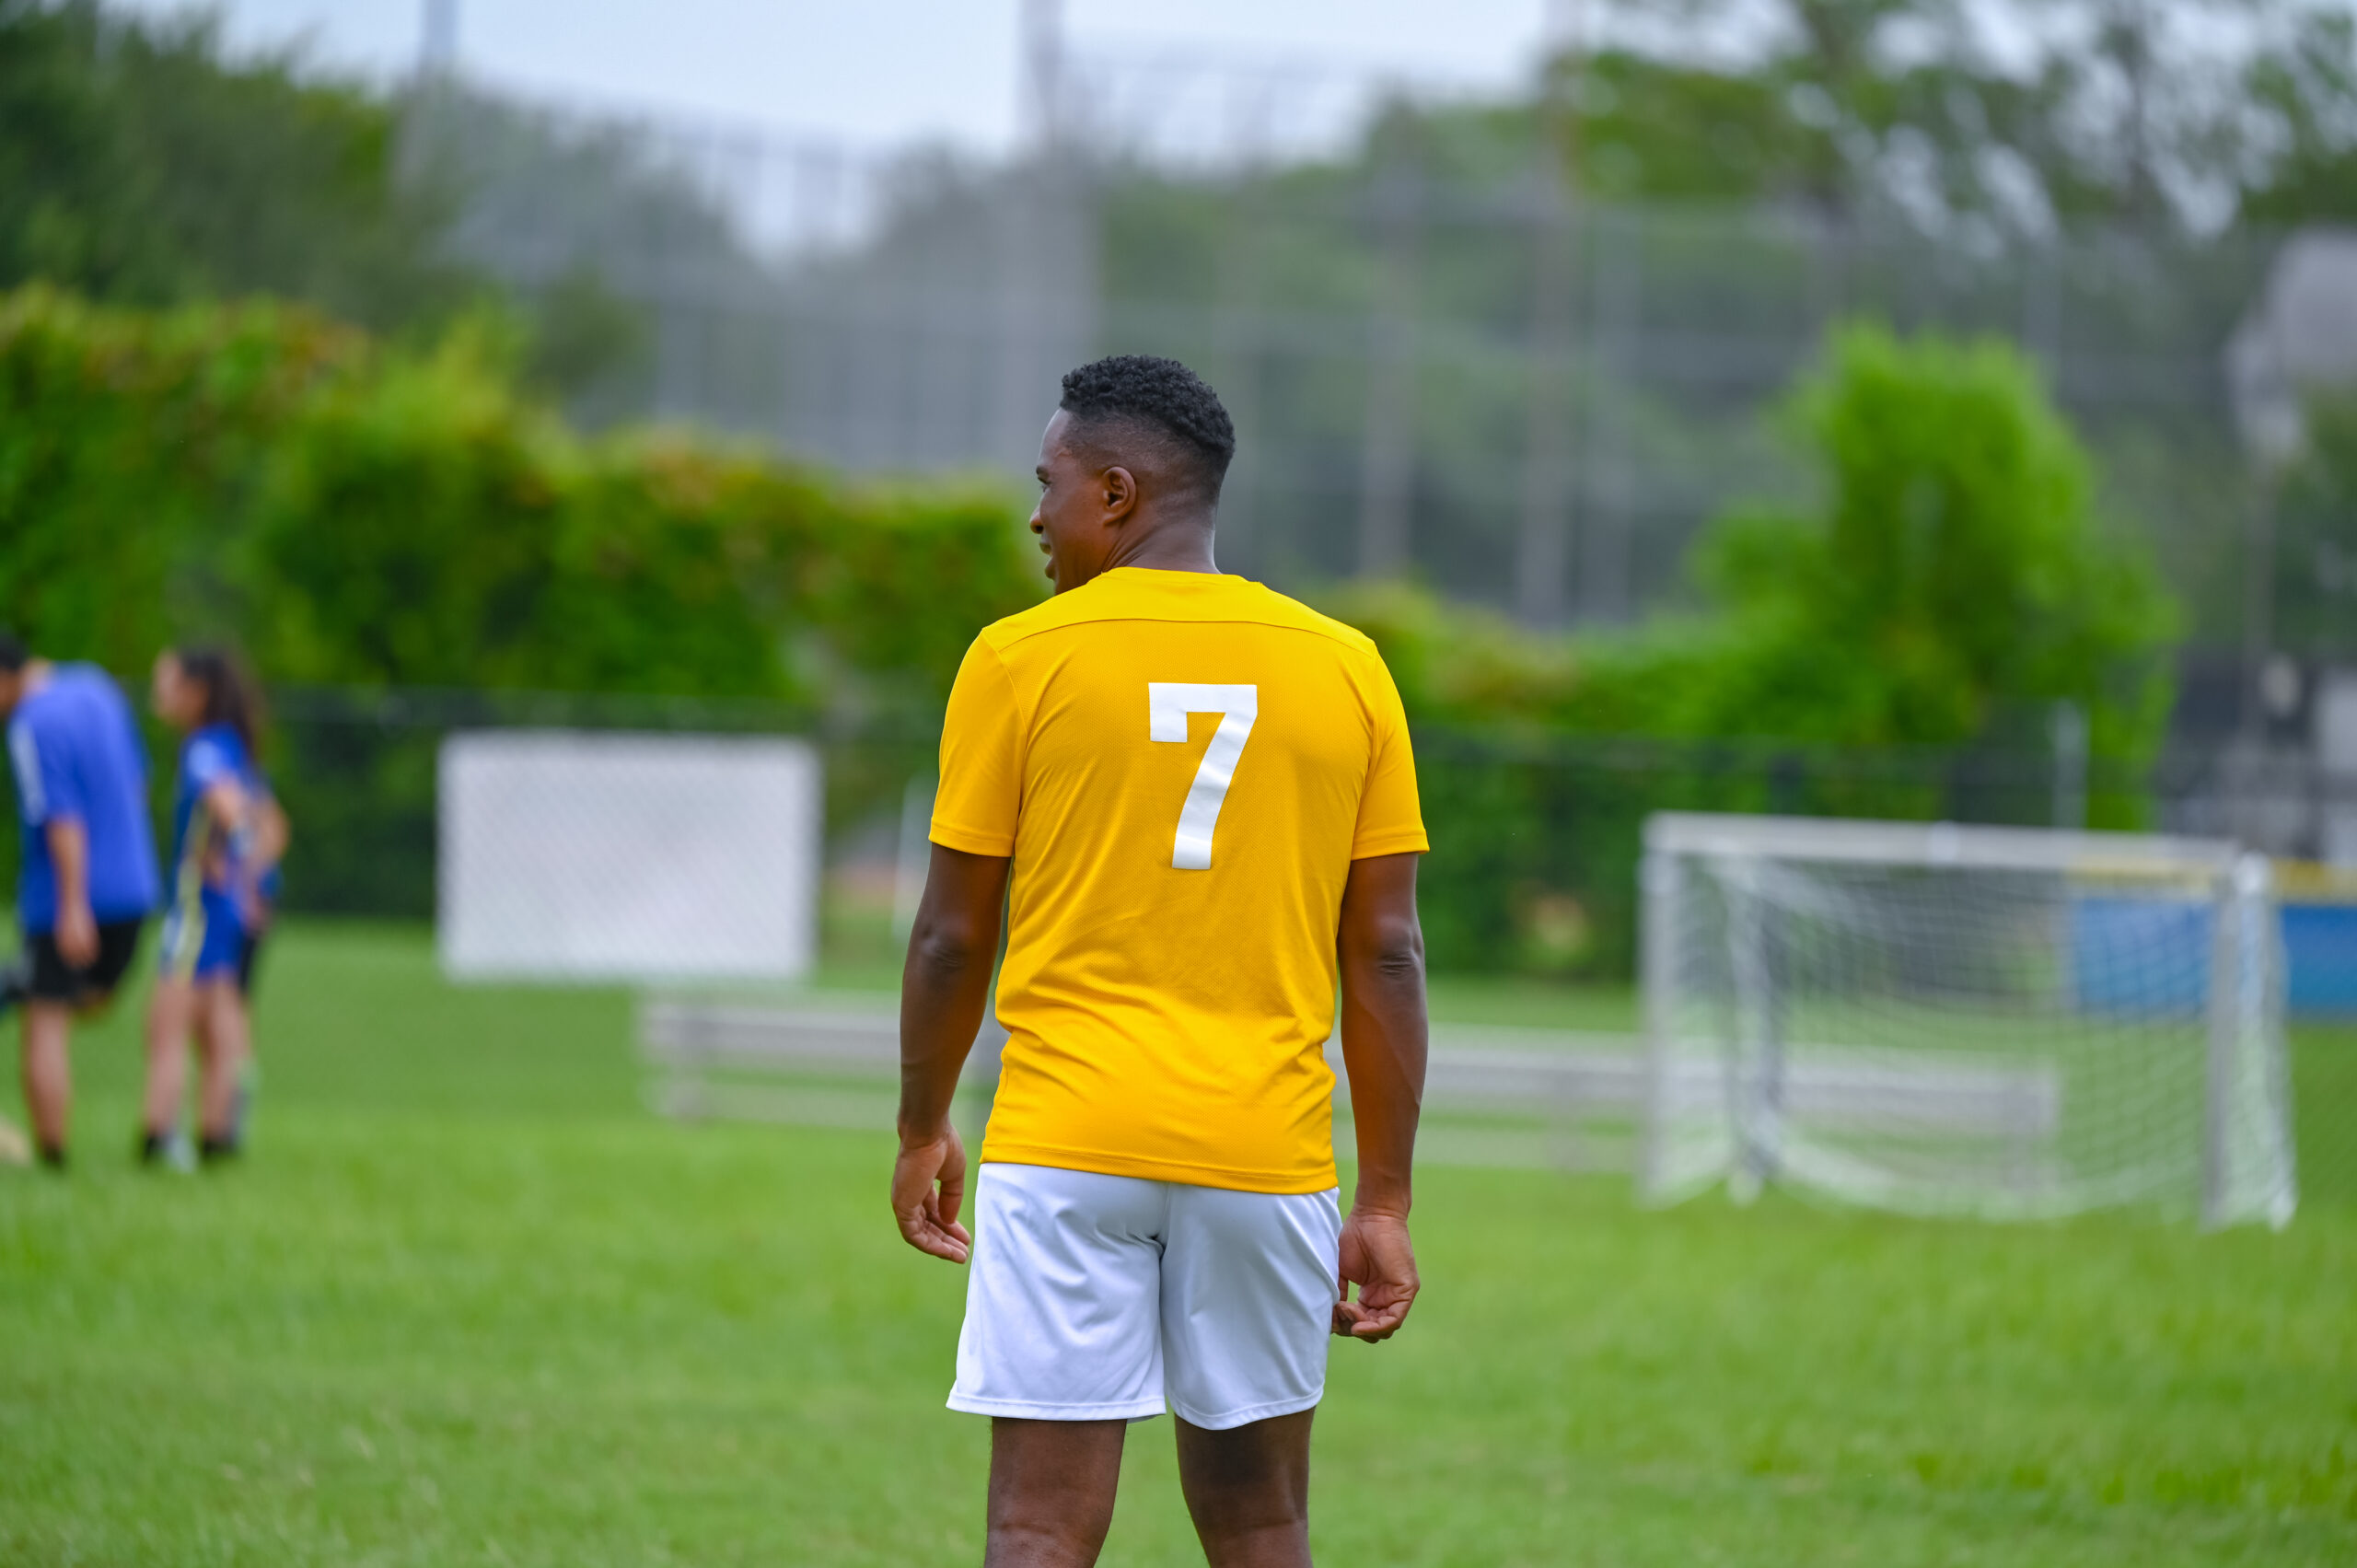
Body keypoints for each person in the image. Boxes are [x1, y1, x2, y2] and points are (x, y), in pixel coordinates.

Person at [893, 355, 1430, 1567]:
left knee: (1037, 1522)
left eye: (1050, 483)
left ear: (1117, 492)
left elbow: (950, 933)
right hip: (1264, 1152)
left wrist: (922, 1125)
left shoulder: (1017, 657)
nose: (1037, 514)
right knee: (1262, 1521)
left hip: (1066, 1144)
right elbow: (1388, 952)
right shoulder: (1348, 665)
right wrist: (1383, 1201)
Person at [0, 632, 162, 1169]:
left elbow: (61, 818)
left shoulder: (30, 724)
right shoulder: (97, 687)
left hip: (65, 899)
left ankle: (52, 1157)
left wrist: (73, 905)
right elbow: (138, 782)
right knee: (86, 999)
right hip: (134, 886)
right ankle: (15, 984)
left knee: (45, 1015)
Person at [140, 646, 278, 1167]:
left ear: (196, 693)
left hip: (196, 907)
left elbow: (234, 812)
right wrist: (253, 880)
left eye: (167, 683)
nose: (158, 695)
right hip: (226, 910)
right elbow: (273, 824)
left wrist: (234, 855)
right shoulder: (235, 746)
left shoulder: (203, 749)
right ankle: (218, 1136)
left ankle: (159, 1137)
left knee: (167, 1027)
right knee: (222, 1020)